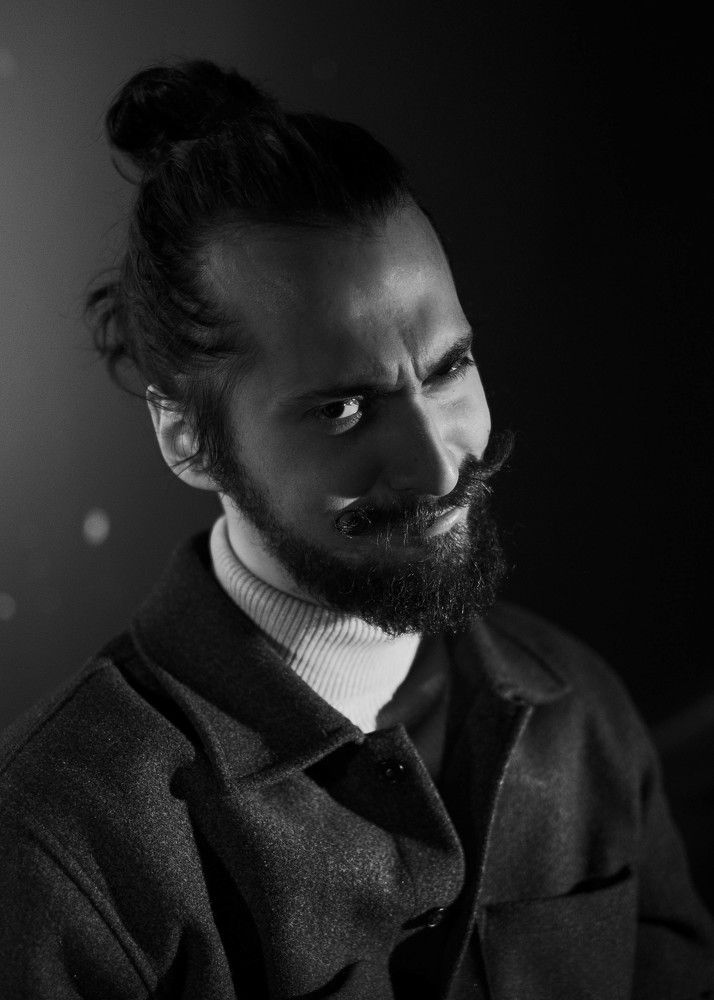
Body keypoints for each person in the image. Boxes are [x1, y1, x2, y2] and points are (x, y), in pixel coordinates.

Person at [0, 59, 712, 1000]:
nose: (440, 467)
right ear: (186, 437)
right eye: (343, 409)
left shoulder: (582, 717)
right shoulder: (59, 841)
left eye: (449, 369)